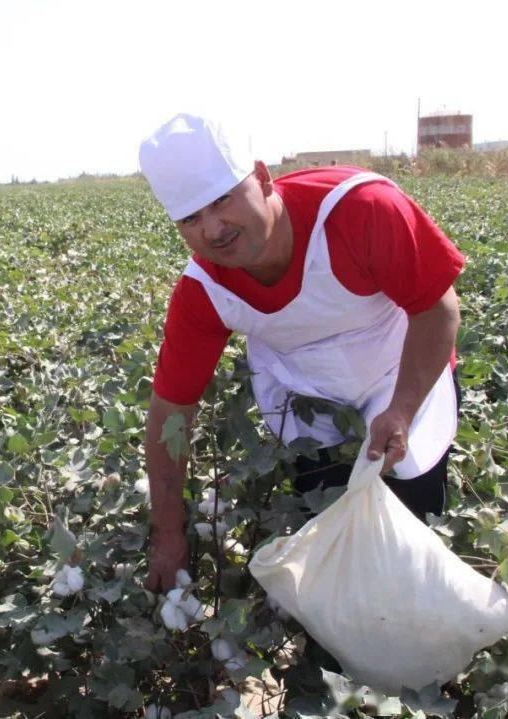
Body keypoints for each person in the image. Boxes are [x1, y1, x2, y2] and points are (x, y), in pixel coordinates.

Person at [138, 115, 465, 592]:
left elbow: (438, 310)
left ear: (262, 177)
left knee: (412, 532)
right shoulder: (203, 290)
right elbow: (171, 411)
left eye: (221, 200)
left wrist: (401, 409)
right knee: (328, 539)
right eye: (190, 218)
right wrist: (168, 534)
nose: (212, 230)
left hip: (402, 373)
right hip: (307, 397)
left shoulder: (359, 209)